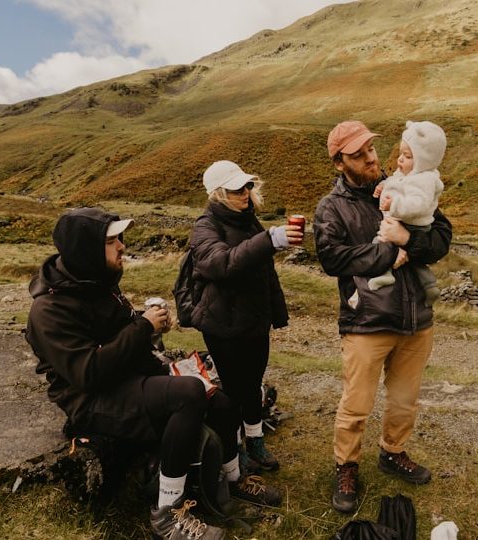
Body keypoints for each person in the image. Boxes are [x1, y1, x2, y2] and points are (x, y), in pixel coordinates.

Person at [25, 207, 281, 540]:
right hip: (91, 400)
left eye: (120, 238)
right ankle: (167, 513)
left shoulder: (99, 283)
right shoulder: (49, 310)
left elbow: (123, 339)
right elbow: (87, 372)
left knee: (219, 400)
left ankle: (232, 480)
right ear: (86, 250)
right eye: (113, 241)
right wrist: (144, 326)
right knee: (188, 395)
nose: (122, 247)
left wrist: (153, 341)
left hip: (127, 379)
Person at [313, 121, 453, 513]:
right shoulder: (331, 207)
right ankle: (346, 466)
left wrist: (409, 240)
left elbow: (442, 236)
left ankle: (392, 452)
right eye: (358, 154)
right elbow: (333, 259)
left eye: (372, 149)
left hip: (416, 318)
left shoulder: (408, 184)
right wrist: (389, 255)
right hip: (367, 320)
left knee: (404, 401)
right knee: (356, 404)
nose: (371, 158)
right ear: (340, 163)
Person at [189, 160, 303, 474]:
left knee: (252, 385)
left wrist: (276, 313)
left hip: (254, 321)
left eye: (248, 186)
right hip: (223, 325)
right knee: (234, 391)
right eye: (238, 188)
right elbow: (221, 263)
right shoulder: (205, 226)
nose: (246, 193)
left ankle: (254, 440)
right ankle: (235, 447)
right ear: (219, 193)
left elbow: (266, 274)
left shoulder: (248, 220)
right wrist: (269, 240)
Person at [367, 120, 446, 306]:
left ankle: (384, 274)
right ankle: (429, 286)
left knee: (378, 242)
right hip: (408, 224)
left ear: (424, 160)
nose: (400, 159)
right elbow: (397, 182)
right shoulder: (410, 175)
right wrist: (383, 186)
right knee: (415, 260)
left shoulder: (424, 180)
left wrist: (394, 205)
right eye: (401, 154)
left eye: (407, 156)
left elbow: (418, 204)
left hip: (412, 224)